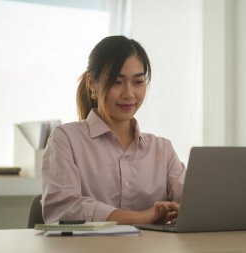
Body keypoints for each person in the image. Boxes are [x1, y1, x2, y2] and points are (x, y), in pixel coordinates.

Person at [41, 36, 186, 225]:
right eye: (117, 82)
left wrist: (186, 210)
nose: (129, 94)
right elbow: (63, 208)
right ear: (92, 83)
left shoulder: (162, 150)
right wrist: (142, 217)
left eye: (138, 82)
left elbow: (195, 201)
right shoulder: (65, 139)